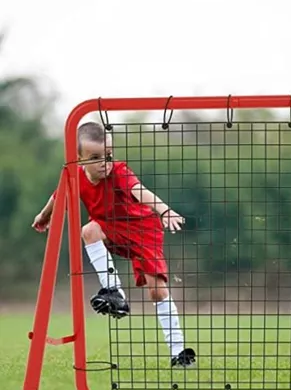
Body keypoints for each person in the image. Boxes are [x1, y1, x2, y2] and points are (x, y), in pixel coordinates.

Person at [32, 121, 196, 368]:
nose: (104, 163)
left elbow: (141, 191)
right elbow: (58, 196)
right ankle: (114, 291)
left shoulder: (119, 171)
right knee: (89, 229)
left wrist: (164, 210)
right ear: (79, 159)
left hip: (143, 231)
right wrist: (44, 216)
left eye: (108, 155)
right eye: (96, 157)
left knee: (157, 291)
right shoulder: (74, 176)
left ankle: (178, 351)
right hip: (110, 229)